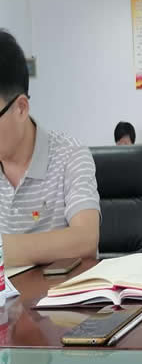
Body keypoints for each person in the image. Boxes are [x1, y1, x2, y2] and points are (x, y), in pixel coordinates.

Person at [0, 30, 99, 266]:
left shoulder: (70, 156)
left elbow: (85, 238)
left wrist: (3, 249)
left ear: (21, 108)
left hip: (56, 290)